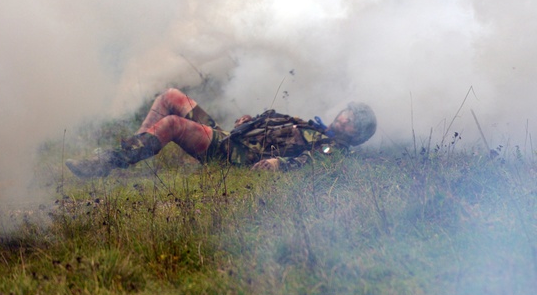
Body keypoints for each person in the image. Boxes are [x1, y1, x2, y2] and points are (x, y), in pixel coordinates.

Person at [66, 88, 376, 179]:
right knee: (171, 97)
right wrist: (250, 121)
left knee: (173, 124)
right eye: (348, 113)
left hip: (232, 156)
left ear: (356, 135)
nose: (345, 119)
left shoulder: (333, 150)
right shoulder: (314, 126)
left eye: (353, 122)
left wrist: (279, 165)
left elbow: (308, 163)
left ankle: (110, 161)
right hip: (232, 138)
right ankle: (134, 148)